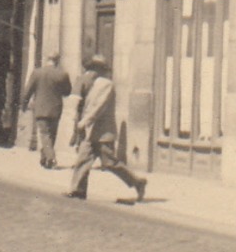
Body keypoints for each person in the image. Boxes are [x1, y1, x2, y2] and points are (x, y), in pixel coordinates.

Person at [66, 56, 147, 203]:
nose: (90, 72)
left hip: (103, 133)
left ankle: (138, 182)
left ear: (99, 70)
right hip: (91, 132)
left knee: (110, 163)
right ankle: (77, 190)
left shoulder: (106, 84)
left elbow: (98, 107)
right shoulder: (92, 83)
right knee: (83, 159)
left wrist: (84, 121)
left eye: (93, 68)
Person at [22, 52, 72, 169]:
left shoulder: (37, 73)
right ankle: (45, 158)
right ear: (58, 60)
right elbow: (67, 92)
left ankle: (50, 158)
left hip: (40, 108)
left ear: (46, 59)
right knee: (52, 134)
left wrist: (24, 104)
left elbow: (28, 90)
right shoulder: (62, 74)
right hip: (56, 108)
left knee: (45, 134)